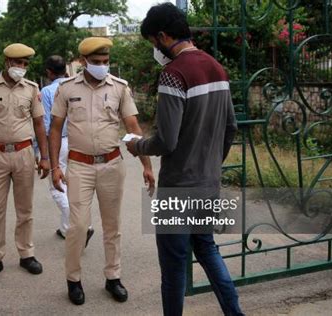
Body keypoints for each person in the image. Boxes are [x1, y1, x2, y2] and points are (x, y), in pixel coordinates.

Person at [125, 4, 243, 315]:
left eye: (153, 42)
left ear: (162, 36)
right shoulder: (217, 67)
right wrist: (212, 166)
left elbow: (166, 140)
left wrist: (138, 146)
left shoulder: (173, 74)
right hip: (207, 184)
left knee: (174, 268)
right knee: (207, 249)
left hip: (177, 188)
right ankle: (235, 312)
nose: (155, 49)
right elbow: (231, 127)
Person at [49, 37, 155, 305]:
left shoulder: (120, 88)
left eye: (106, 62)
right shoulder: (66, 89)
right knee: (78, 227)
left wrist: (146, 165)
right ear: (83, 61)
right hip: (79, 165)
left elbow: (133, 129)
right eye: (96, 62)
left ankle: (113, 277)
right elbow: (54, 129)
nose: (102, 66)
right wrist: (53, 167)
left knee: (112, 226)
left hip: (111, 164)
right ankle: (73, 280)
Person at [0, 43, 50, 283]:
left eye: (26, 64)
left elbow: (39, 125)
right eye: (18, 63)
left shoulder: (31, 89)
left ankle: (26, 254)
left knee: (25, 209)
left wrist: (45, 157)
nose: (22, 68)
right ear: (7, 62)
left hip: (24, 154)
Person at [41, 55, 94, 243]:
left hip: (60, 142)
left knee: (57, 186)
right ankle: (65, 229)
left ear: (48, 72)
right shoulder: (76, 86)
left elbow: (48, 124)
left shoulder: (47, 91)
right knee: (75, 185)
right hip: (80, 141)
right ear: (65, 69)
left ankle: (83, 224)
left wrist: (44, 155)